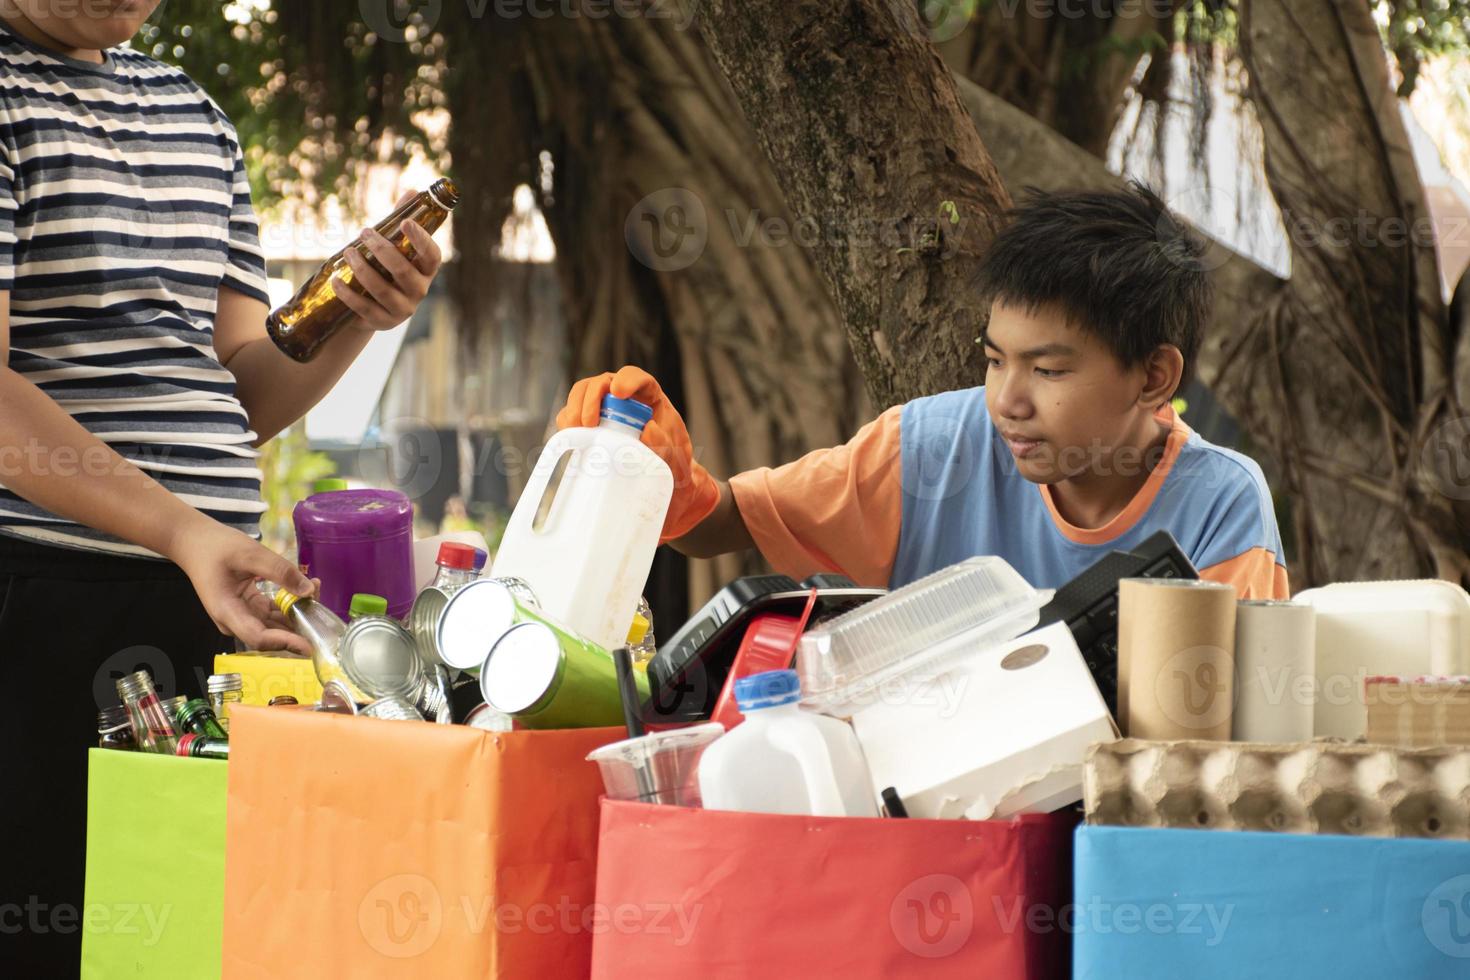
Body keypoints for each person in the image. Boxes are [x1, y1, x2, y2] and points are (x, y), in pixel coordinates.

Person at [0, 4, 443, 972]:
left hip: (201, 596)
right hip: (41, 594)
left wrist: (355, 315)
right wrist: (181, 531)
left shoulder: (194, 112)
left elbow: (235, 388)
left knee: (179, 923)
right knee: (51, 920)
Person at [559, 183, 1289, 600]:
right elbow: (725, 525)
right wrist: (665, 478)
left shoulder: (1220, 506)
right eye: (995, 360)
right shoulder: (931, 448)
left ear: (1155, 376)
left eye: (1049, 369)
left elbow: (1218, 743)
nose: (1008, 399)